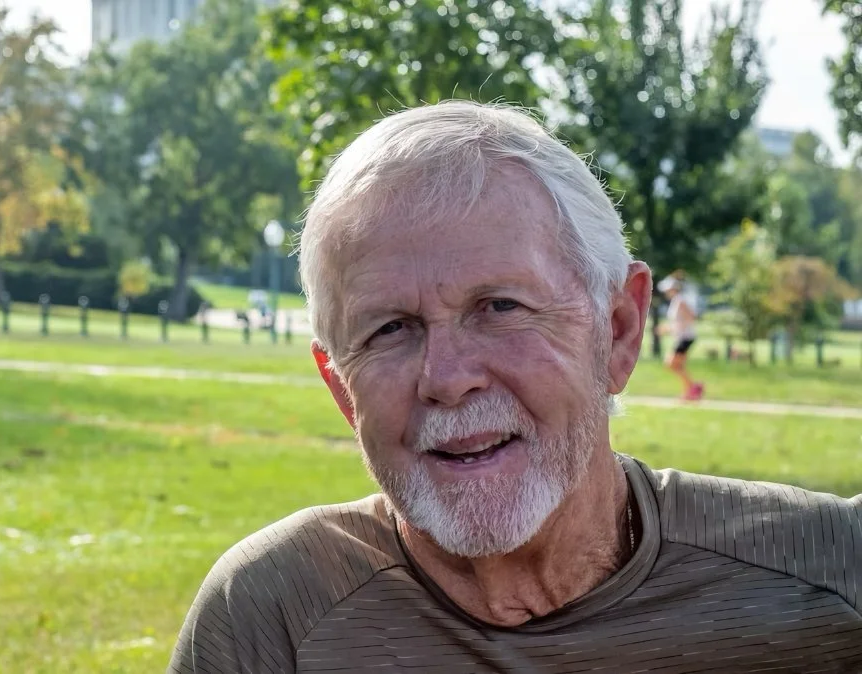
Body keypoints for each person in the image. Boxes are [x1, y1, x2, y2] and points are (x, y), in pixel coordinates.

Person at [168, 102, 862, 672]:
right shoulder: (275, 614)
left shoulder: (824, 580)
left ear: (618, 331)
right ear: (342, 390)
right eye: (390, 329)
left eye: (500, 308)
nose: (446, 379)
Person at [658, 272, 703, 400]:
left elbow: (691, 316)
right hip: (682, 337)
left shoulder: (680, 301)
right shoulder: (676, 301)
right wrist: (669, 329)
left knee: (671, 363)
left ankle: (693, 387)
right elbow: (677, 322)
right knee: (677, 365)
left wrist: (676, 328)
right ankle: (691, 390)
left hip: (686, 337)